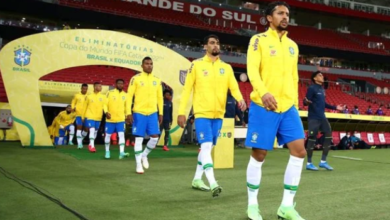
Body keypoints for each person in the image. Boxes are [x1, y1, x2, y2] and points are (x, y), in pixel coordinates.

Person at [245, 2, 307, 219]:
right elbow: (252, 69)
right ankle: (252, 204)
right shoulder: (258, 40)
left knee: (299, 151)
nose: (285, 17)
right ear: (268, 18)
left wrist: (296, 104)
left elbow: (294, 76)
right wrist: (263, 92)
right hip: (264, 105)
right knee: (259, 154)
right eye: (280, 13)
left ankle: (286, 207)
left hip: (288, 107)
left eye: (287, 14)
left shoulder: (292, 45)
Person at [178, 34, 246, 197]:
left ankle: (196, 179)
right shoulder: (196, 65)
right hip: (202, 112)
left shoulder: (227, 67)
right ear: (205, 47)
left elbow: (234, 87)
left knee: (208, 147)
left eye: (217, 43)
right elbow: (187, 89)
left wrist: (240, 99)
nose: (216, 45)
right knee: (207, 146)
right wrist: (182, 112)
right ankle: (213, 182)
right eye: (212, 43)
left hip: (219, 114)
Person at [127, 57, 163, 174]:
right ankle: (138, 165)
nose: (149, 66)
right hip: (139, 113)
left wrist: (161, 112)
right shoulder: (135, 79)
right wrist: (128, 112)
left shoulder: (157, 80)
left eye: (151, 64)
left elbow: (160, 98)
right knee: (138, 139)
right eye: (147, 64)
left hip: (152, 113)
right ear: (142, 65)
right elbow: (129, 96)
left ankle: (144, 155)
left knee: (154, 138)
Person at [303, 71, 344, 171]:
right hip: (313, 117)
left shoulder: (322, 89)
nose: (322, 76)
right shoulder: (312, 88)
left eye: (322, 75)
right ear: (315, 78)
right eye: (320, 75)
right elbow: (305, 101)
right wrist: (306, 102)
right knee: (312, 138)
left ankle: (323, 162)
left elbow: (324, 103)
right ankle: (309, 163)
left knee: (329, 134)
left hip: (322, 117)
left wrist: (336, 107)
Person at [103, 79, 130, 159]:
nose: (120, 85)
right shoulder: (109, 93)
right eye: (119, 83)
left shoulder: (126, 95)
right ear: (115, 84)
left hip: (121, 120)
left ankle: (121, 152)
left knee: (121, 135)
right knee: (107, 136)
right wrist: (106, 112)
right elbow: (105, 104)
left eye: (122, 84)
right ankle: (107, 151)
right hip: (110, 120)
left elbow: (126, 107)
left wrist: (127, 116)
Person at [83, 82, 106, 153]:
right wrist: (83, 116)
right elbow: (84, 107)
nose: (101, 88)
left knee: (95, 131)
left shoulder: (103, 97)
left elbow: (105, 106)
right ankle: (92, 146)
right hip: (90, 116)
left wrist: (106, 112)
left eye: (101, 86)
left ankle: (90, 144)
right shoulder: (89, 96)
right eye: (99, 86)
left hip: (98, 117)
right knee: (92, 130)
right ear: (95, 87)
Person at [71, 83, 88, 148]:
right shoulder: (77, 95)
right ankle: (79, 144)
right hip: (78, 114)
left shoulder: (88, 96)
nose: (84, 90)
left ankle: (80, 139)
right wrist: (72, 107)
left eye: (86, 89)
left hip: (86, 115)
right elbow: (73, 102)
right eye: (83, 89)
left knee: (86, 130)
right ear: (81, 88)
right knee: (79, 129)